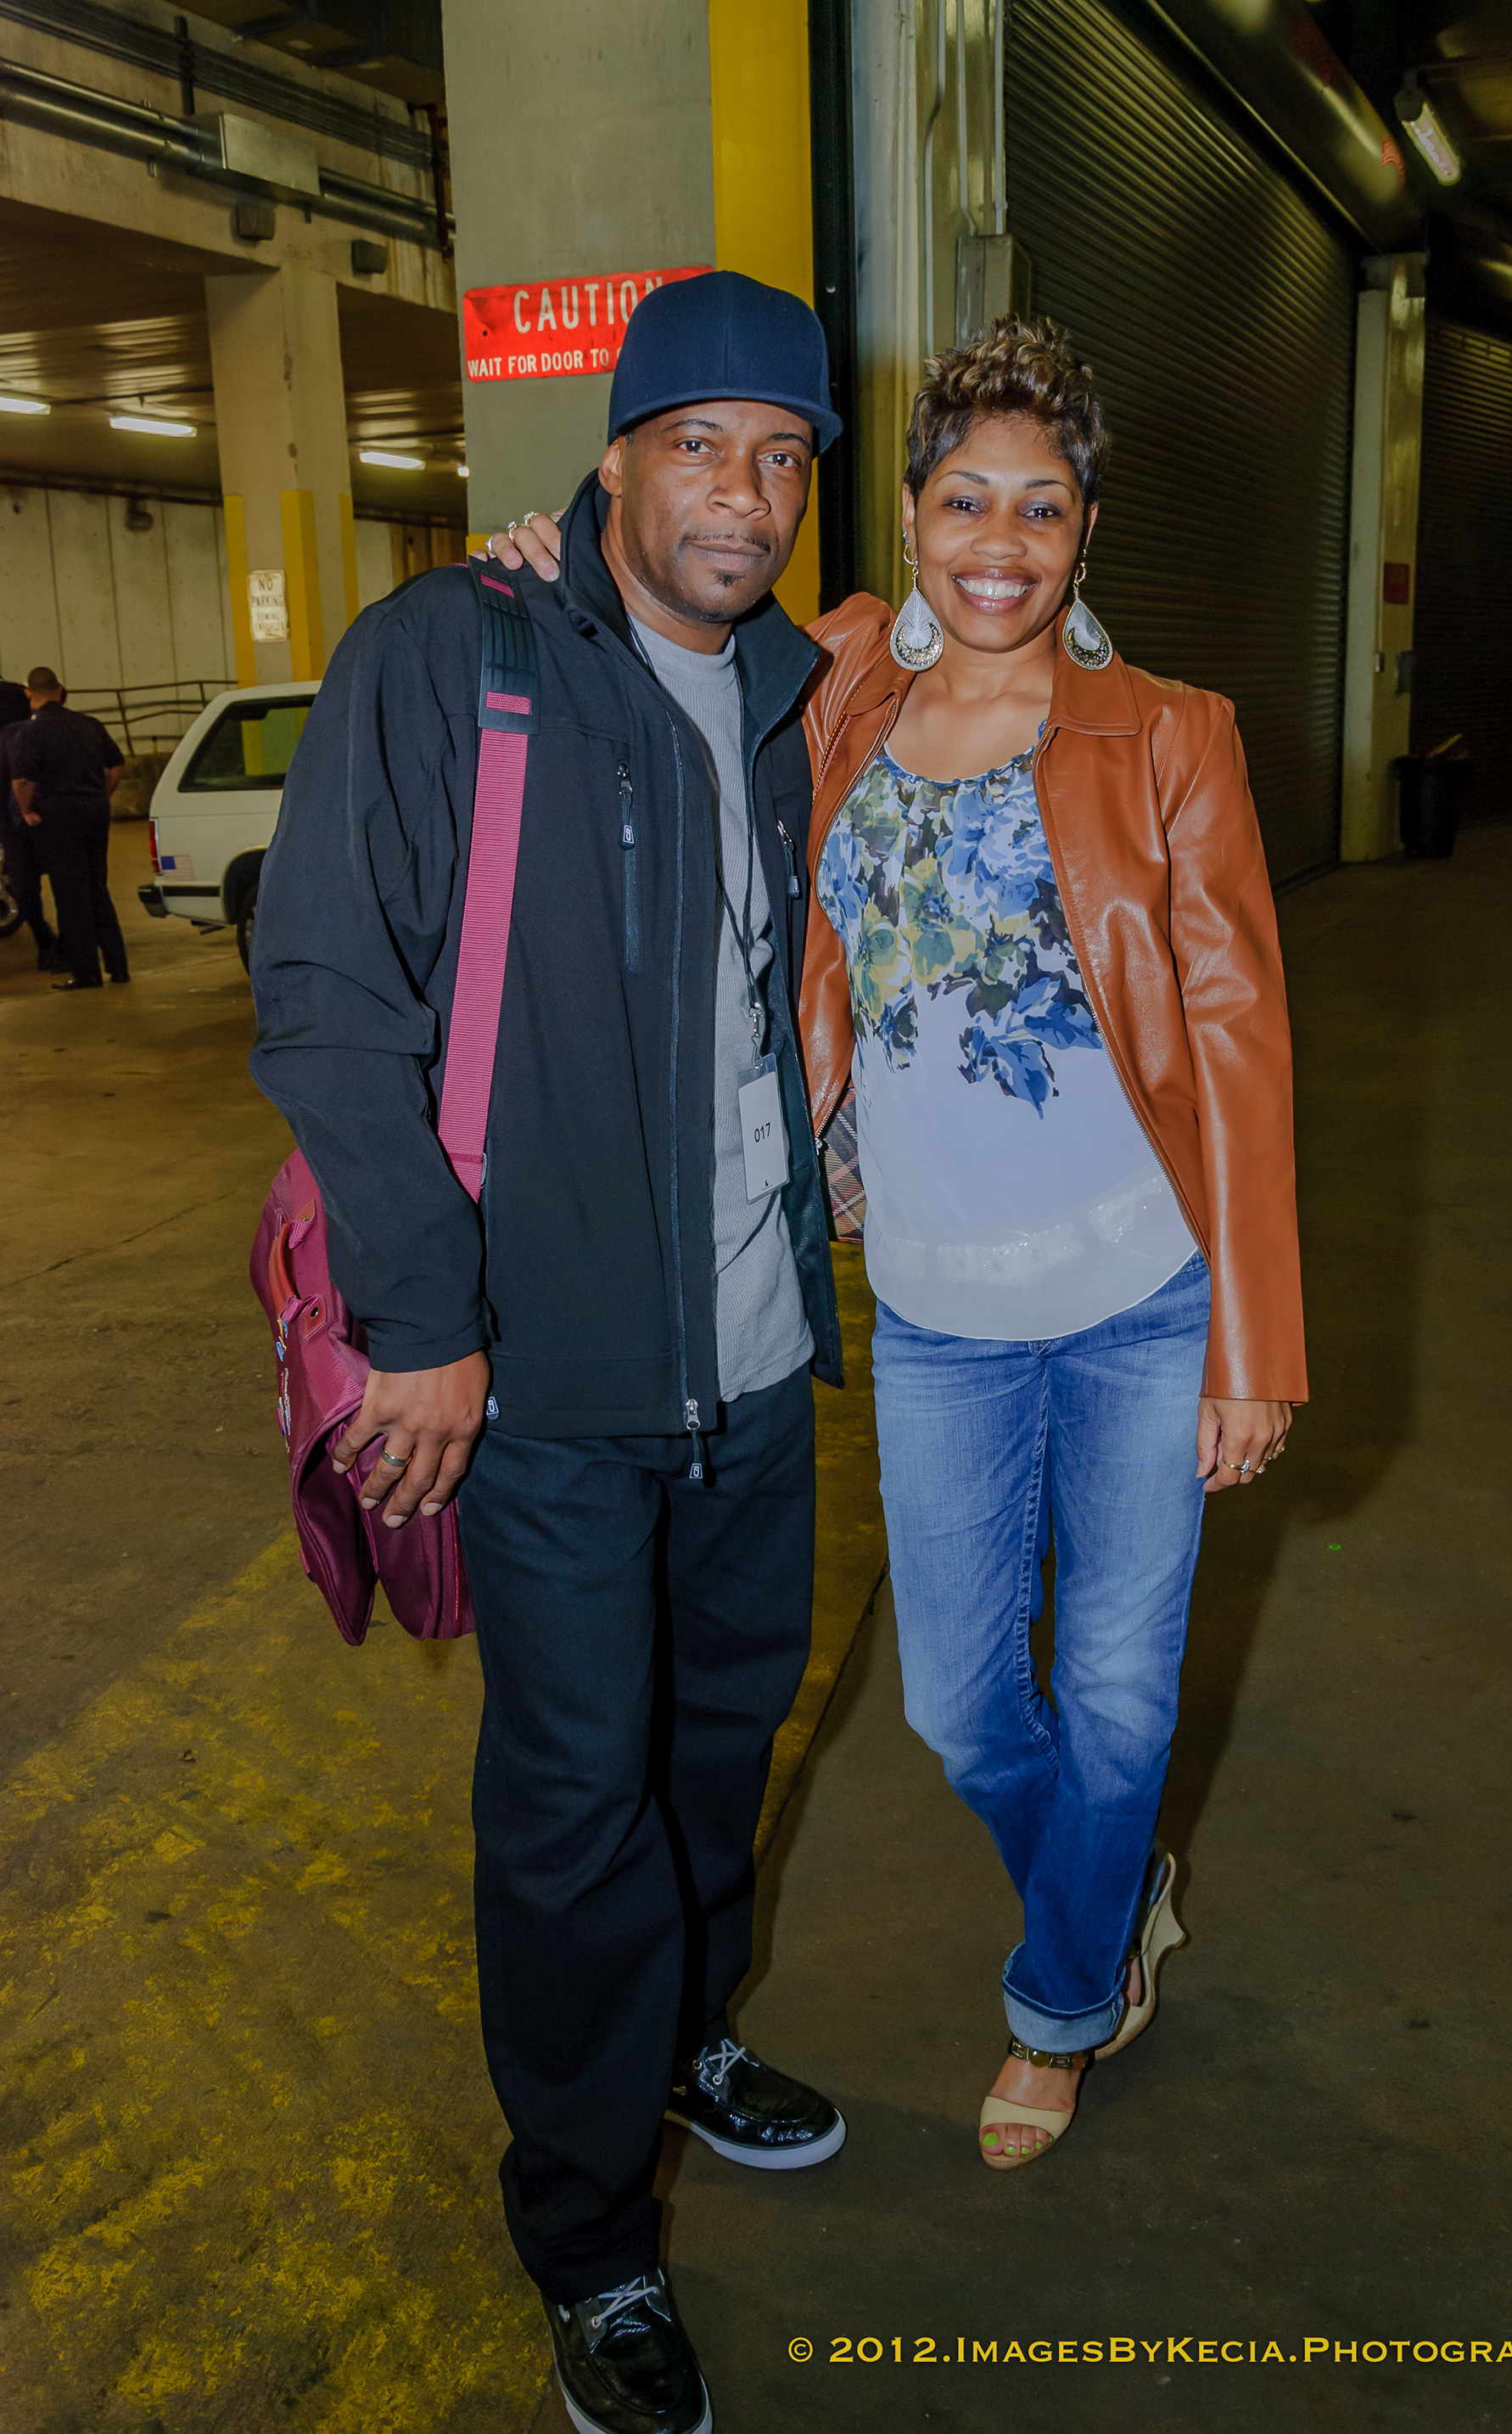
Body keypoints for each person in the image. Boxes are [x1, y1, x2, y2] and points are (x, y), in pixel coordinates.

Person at [491, 314, 1307, 2174]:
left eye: (1042, 504)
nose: (999, 541)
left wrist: (1253, 1343)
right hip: (934, 1306)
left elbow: (1242, 1045)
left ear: (1088, 528)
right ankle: (1115, 1887)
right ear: (914, 515)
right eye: (964, 500)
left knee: (1117, 1704)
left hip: (1141, 1296)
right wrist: (546, 547)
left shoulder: (1173, 737)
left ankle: (1060, 2002)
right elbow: (654, 603)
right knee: (958, 1706)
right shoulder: (837, 675)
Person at [250, 272, 853, 2434]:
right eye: (697, 444)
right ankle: (590, 2236)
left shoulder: (797, 686)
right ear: (611, 457)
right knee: (575, 1810)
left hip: (756, 1368)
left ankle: (684, 2037)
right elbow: (329, 994)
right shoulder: (453, 653)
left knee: (718, 1756)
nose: (743, 494)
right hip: (545, 1385)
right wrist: (424, 1324)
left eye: (782, 454)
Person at [7, 666, 126, 990]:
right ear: (60, 690)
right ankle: (118, 967)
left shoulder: (31, 731)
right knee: (98, 888)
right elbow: (116, 765)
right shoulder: (90, 724)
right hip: (95, 813)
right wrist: (101, 795)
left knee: (71, 896)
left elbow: (23, 781)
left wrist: (26, 810)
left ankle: (86, 973)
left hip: (59, 818)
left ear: (29, 694)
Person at [0, 675, 60, 970]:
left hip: (15, 805)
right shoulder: (18, 694)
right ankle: (61, 944)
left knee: (24, 881)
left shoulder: (13, 698)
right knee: (64, 878)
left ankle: (47, 941)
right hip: (37, 801)